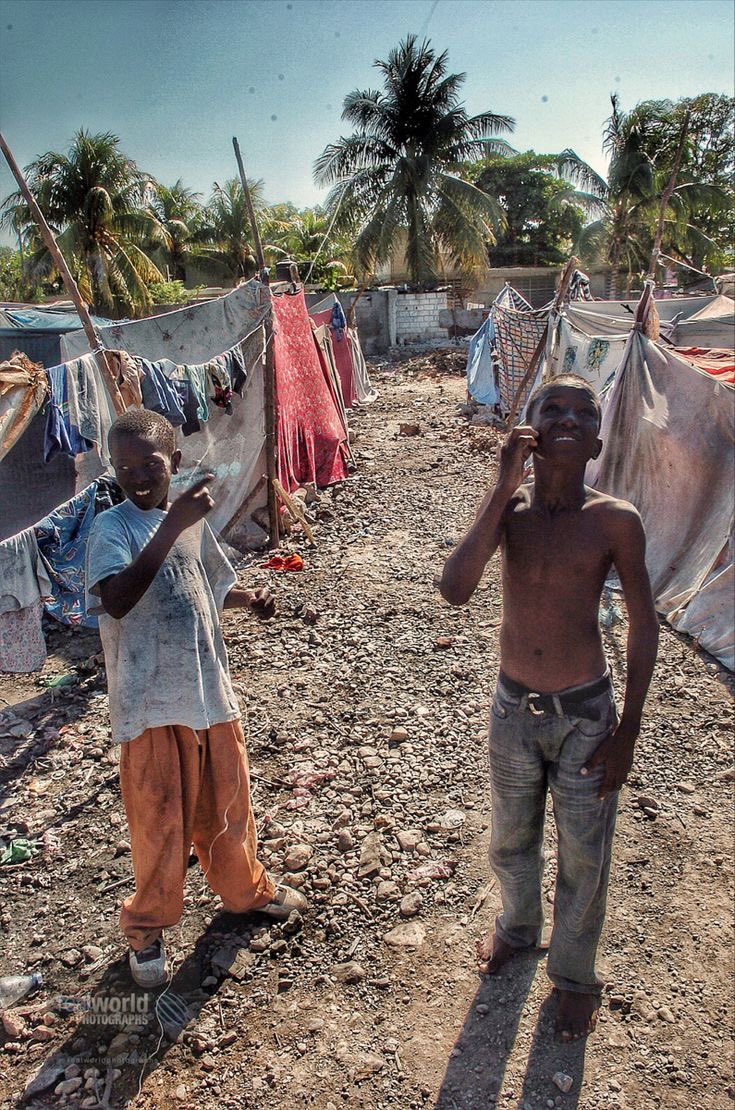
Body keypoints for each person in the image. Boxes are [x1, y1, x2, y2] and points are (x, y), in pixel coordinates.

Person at [439, 375, 659, 1041]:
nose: (567, 417)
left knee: (584, 856)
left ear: (595, 442)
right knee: (510, 840)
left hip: (586, 715)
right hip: (512, 711)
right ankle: (517, 927)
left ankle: (571, 975)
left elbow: (643, 626)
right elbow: (454, 589)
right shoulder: (509, 517)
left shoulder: (613, 520)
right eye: (551, 408)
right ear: (527, 433)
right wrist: (501, 487)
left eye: (582, 412)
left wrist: (626, 729)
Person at [86, 408, 306, 988]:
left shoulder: (190, 523)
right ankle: (147, 930)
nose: (137, 475)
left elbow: (209, 583)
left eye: (150, 464)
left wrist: (250, 598)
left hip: (209, 695)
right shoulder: (112, 528)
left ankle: (244, 891)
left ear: (174, 464)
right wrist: (169, 523)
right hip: (150, 708)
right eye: (124, 465)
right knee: (159, 823)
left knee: (229, 807)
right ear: (113, 468)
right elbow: (116, 600)